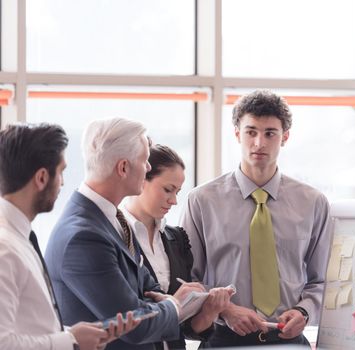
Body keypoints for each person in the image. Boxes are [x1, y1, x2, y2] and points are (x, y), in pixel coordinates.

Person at [181, 90, 332, 347]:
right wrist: (226, 309)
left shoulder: (313, 202)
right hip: (223, 339)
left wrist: (305, 311)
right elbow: (188, 281)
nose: (259, 143)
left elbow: (322, 279)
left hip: (289, 339)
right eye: (251, 132)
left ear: (284, 137)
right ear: (237, 134)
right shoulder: (202, 201)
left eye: (270, 133)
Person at [45, 118, 206, 350]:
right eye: (144, 161)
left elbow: (152, 290)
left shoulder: (115, 221)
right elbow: (134, 325)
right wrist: (174, 305)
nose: (149, 167)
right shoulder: (83, 236)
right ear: (123, 167)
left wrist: (154, 305)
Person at [0, 123, 138, 350]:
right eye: (61, 171)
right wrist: (70, 341)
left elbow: (28, 325)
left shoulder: (20, 238)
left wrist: (73, 334)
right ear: (42, 178)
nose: (63, 182)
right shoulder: (6, 248)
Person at [123, 144, 232, 349]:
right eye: (167, 189)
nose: (173, 200)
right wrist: (174, 303)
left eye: (178, 192)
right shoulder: (115, 236)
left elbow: (185, 328)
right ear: (141, 180)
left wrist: (208, 312)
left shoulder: (176, 239)